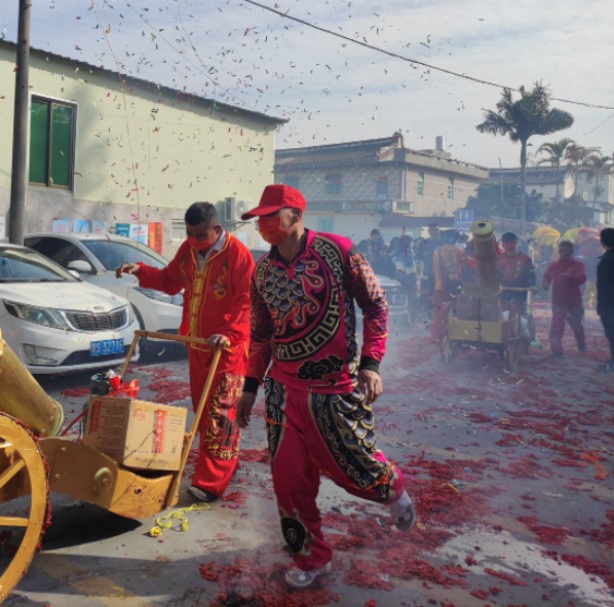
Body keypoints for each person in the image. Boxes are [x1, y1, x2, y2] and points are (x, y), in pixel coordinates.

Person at [236, 184, 414, 590]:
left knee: (354, 469)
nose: (263, 225)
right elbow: (261, 337)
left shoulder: (339, 252)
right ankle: (312, 557)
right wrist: (250, 387)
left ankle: (393, 490)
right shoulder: (262, 271)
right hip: (282, 392)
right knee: (289, 480)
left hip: (333, 388)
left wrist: (370, 364)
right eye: (259, 218)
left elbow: (375, 306)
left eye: (271, 216)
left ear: (296, 215)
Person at [116, 202, 255, 501]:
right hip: (197, 344)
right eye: (190, 235)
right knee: (204, 413)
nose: (195, 241)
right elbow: (169, 281)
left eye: (201, 235)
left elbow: (247, 302)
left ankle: (210, 483)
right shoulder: (189, 251)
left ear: (217, 230)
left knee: (221, 414)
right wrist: (140, 271)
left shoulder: (238, 255)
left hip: (226, 350)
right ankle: (224, 463)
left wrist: (229, 334)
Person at [542, 241, 587, 357]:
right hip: (558, 301)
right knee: (556, 327)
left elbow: (582, 278)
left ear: (571, 252)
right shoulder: (554, 265)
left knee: (576, 326)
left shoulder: (578, 265)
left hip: (573, 302)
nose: (563, 253)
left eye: (566, 251)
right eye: (561, 251)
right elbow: (547, 277)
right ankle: (556, 352)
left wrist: (570, 277)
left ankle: (581, 343)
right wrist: (545, 284)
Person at [430, 230, 467, 344]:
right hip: (456, 286)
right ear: (455, 239)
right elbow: (469, 265)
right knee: (459, 312)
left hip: (439, 285)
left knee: (440, 312)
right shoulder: (458, 251)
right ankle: (457, 336)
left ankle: (436, 336)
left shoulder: (436, 251)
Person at [596, 228, 614, 373]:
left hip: (612, 305)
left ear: (602, 241)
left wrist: (601, 307)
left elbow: (604, 287)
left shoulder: (606, 261)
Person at [495, 232, 536, 312]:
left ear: (515, 243)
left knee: (518, 313)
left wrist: (531, 285)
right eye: (504, 242)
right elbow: (495, 275)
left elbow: (530, 274)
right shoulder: (499, 259)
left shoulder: (525, 259)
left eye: (508, 242)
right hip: (503, 291)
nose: (505, 245)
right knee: (502, 314)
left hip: (520, 292)